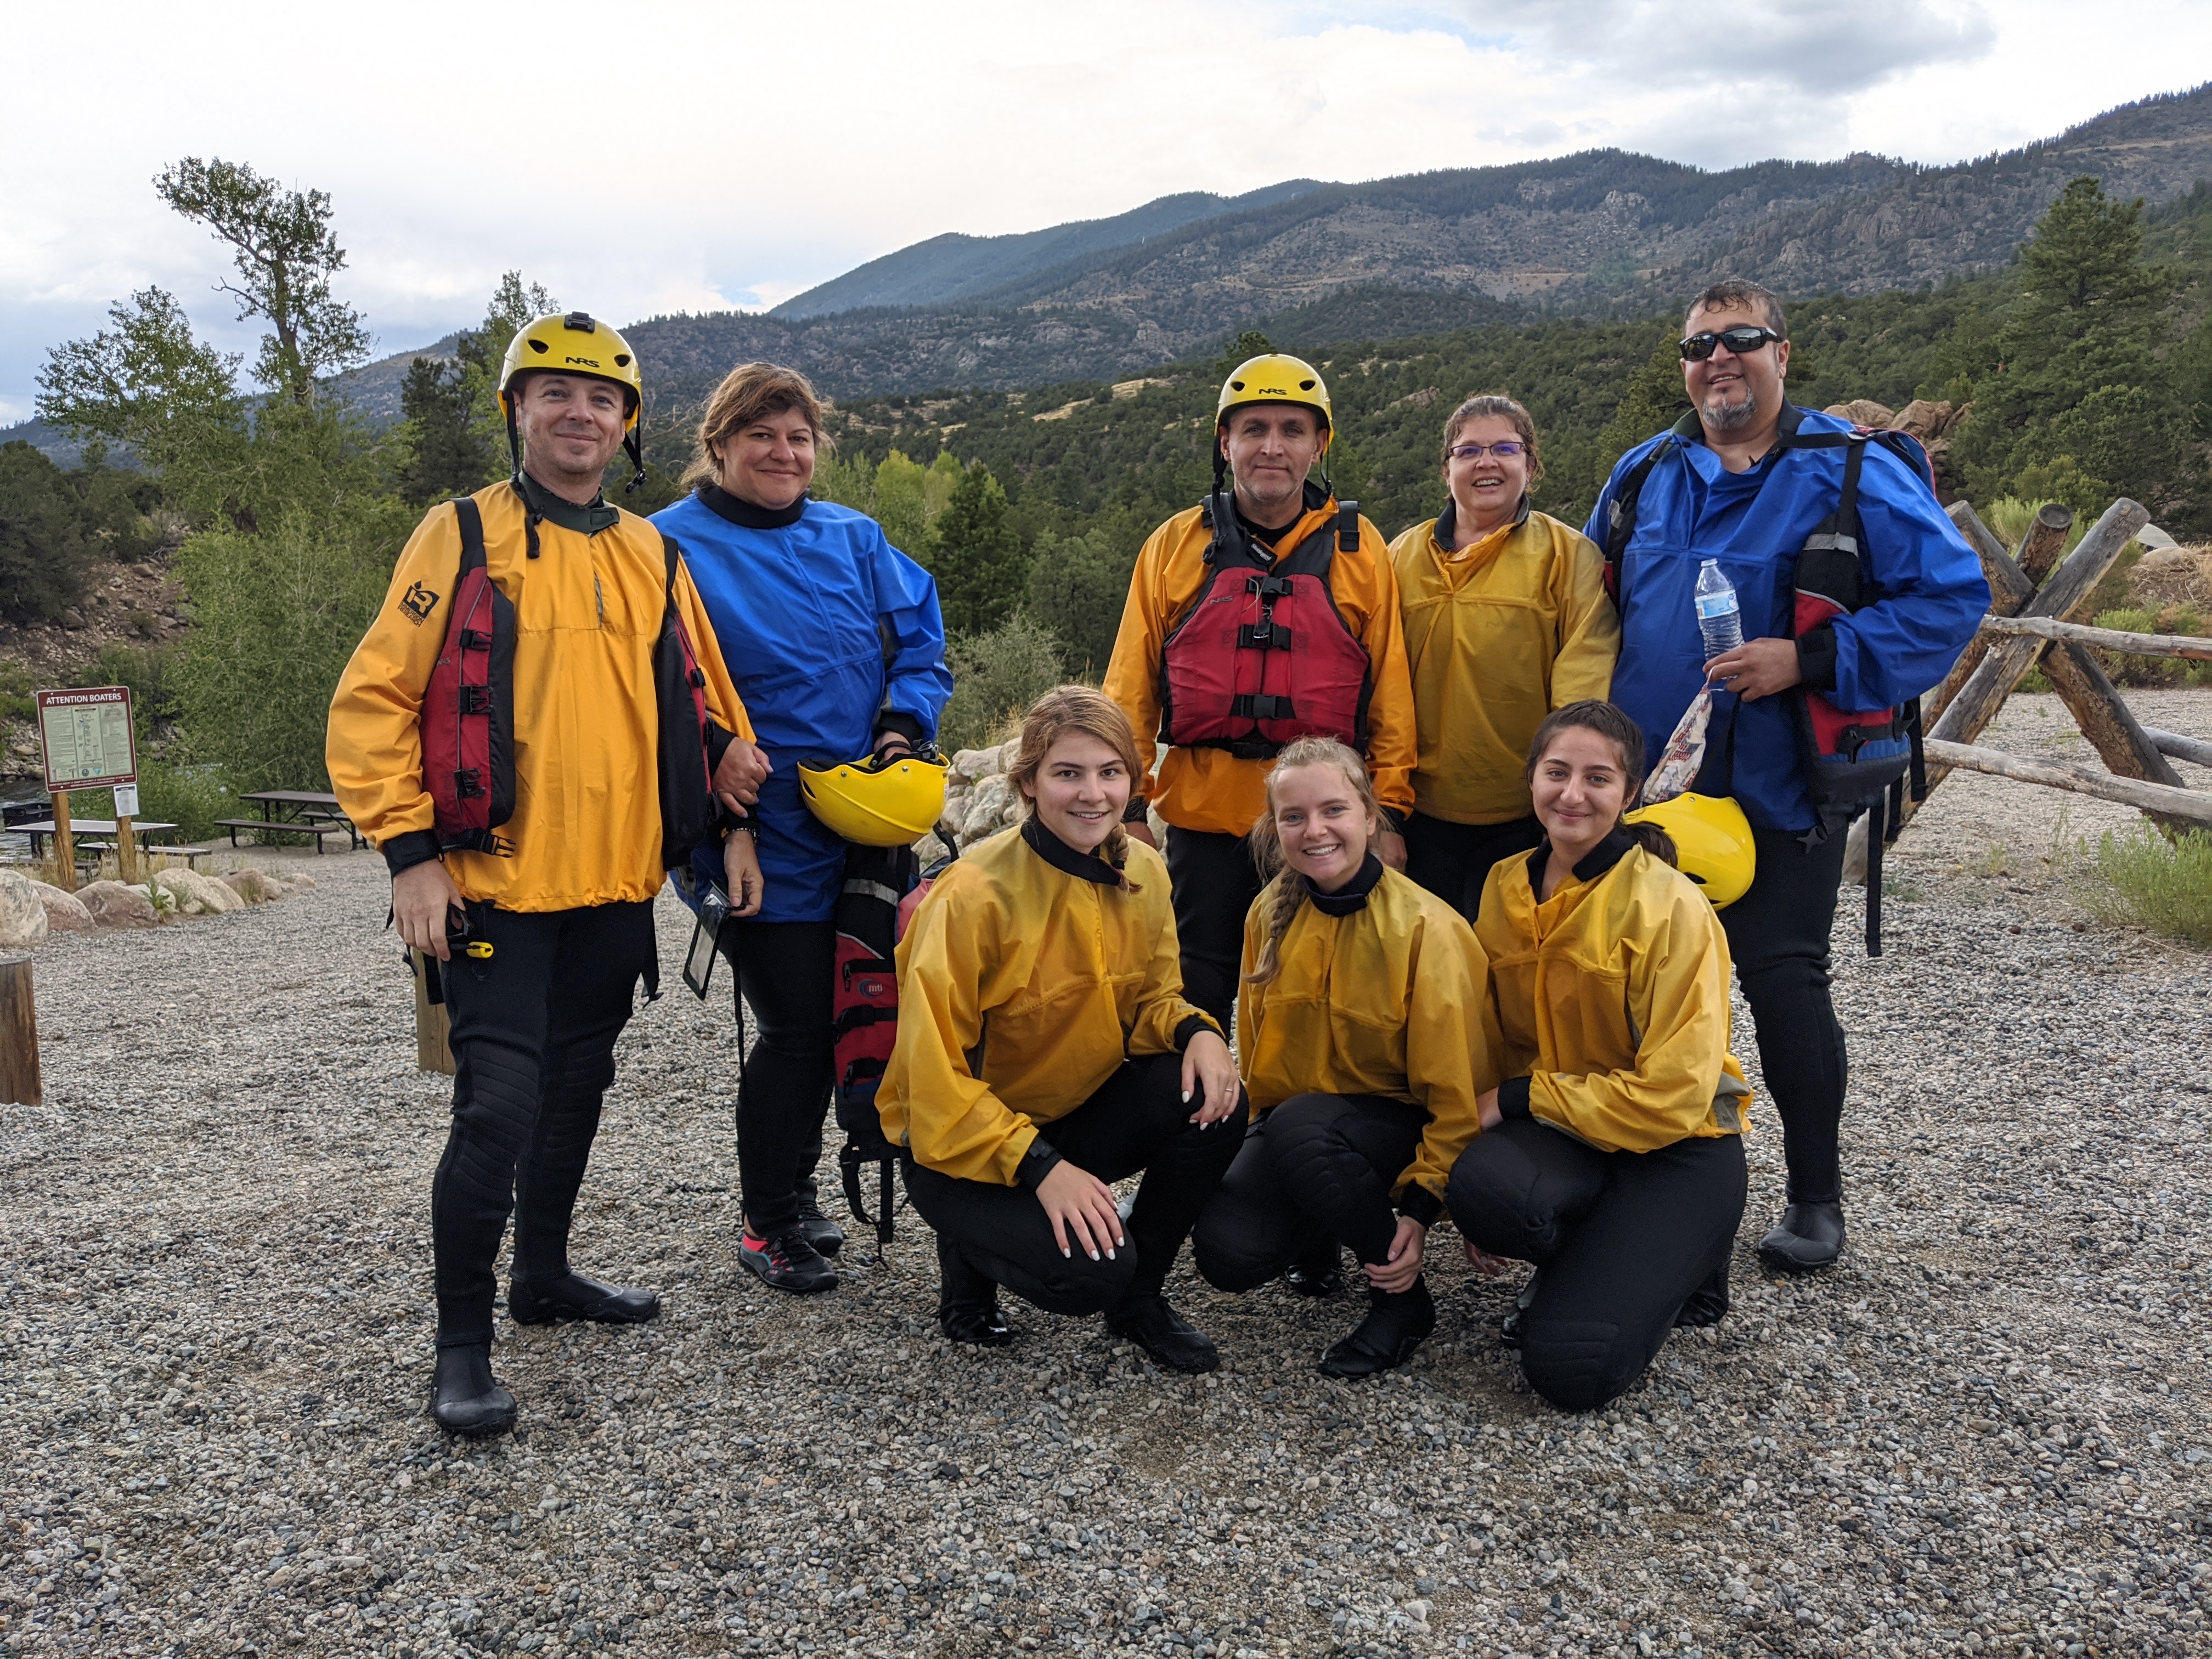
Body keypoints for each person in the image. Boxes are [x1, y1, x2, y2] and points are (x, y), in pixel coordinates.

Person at [329, 312, 766, 1437]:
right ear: (518, 411)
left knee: (578, 1087)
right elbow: (374, 701)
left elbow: (707, 708)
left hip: (614, 889)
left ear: (627, 426)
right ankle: (461, 1348)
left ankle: (544, 1275)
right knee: (497, 1109)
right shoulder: (461, 534)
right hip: (492, 889)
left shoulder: (652, 554)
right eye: (555, 393)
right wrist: (410, 856)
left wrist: (735, 824)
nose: (580, 413)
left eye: (602, 398)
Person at [1587, 279, 1985, 1272]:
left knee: (1783, 983)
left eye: (1741, 339)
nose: (1718, 359)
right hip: (1647, 788)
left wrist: (1805, 659)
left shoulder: (1852, 470)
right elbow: (1587, 610)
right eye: (1699, 346)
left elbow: (1949, 599)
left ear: (1782, 353)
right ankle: (1626, 1181)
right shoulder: (1645, 472)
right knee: (1626, 989)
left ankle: (1814, 1196)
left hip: (1783, 784)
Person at [652, 363, 950, 1295]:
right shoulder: (664, 547)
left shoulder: (854, 538)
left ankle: (797, 1187)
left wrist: (901, 727)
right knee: (795, 1028)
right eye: (762, 436)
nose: (784, 454)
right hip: (750, 833)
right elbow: (652, 694)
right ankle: (766, 1223)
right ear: (719, 444)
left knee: (848, 1010)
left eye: (799, 438)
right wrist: (723, 819)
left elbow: (921, 643)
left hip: (861, 822)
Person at [878, 686, 1246, 1373]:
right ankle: (967, 1259)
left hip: (1071, 1114)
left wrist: (1197, 1030)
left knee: (1215, 1098)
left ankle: (1139, 1301)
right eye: (1068, 773)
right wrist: (1042, 1169)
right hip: (955, 1144)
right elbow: (930, 1083)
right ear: (1028, 782)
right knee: (1087, 1275)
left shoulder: (1144, 870)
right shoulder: (971, 896)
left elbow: (1153, 1000)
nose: (1093, 794)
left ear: (1133, 783)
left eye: (1111, 773)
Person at [1446, 701, 1750, 1412]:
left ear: (1630, 791)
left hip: (1677, 1147)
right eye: (1556, 772)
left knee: (1570, 1374)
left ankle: (1686, 1258)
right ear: (1531, 779)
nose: (1572, 795)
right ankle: (1600, 1257)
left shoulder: (1671, 907)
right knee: (1485, 1189)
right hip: (1573, 1134)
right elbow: (1487, 1034)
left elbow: (1675, 1095)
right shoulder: (1502, 886)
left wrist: (1519, 1098)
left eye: (1598, 778)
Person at [1103, 353, 1417, 1035]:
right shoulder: (1173, 547)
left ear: (1319, 445)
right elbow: (1128, 691)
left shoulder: (1362, 553)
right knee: (1196, 994)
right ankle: (1201, 1100)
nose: (1272, 447)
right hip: (1207, 822)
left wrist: (1388, 815)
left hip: (1321, 824)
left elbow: (1390, 696)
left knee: (1319, 1003)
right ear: (1226, 443)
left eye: (1292, 430)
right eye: (1254, 429)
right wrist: (1128, 811)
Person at [1189, 737, 1488, 1378]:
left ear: (1370, 817)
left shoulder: (1428, 930)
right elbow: (1259, 1066)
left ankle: (1401, 1301)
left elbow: (1458, 1095)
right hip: (1306, 1133)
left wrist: (1421, 1209)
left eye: (1334, 810)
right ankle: (1319, 1228)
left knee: (1304, 1127)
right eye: (1294, 817)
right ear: (1275, 829)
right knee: (1228, 1253)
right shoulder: (1267, 914)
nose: (1315, 830)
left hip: (1398, 1133)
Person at [1390, 394, 1618, 922]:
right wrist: (1381, 809)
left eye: (1505, 449)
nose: (1486, 462)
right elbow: (1375, 681)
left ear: (1530, 466)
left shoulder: (1568, 556)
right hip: (1418, 813)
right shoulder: (1400, 556)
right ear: (1447, 469)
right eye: (1469, 451)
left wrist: (1567, 798)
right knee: (1430, 959)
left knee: (1516, 957)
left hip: (1528, 815)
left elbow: (1583, 684)